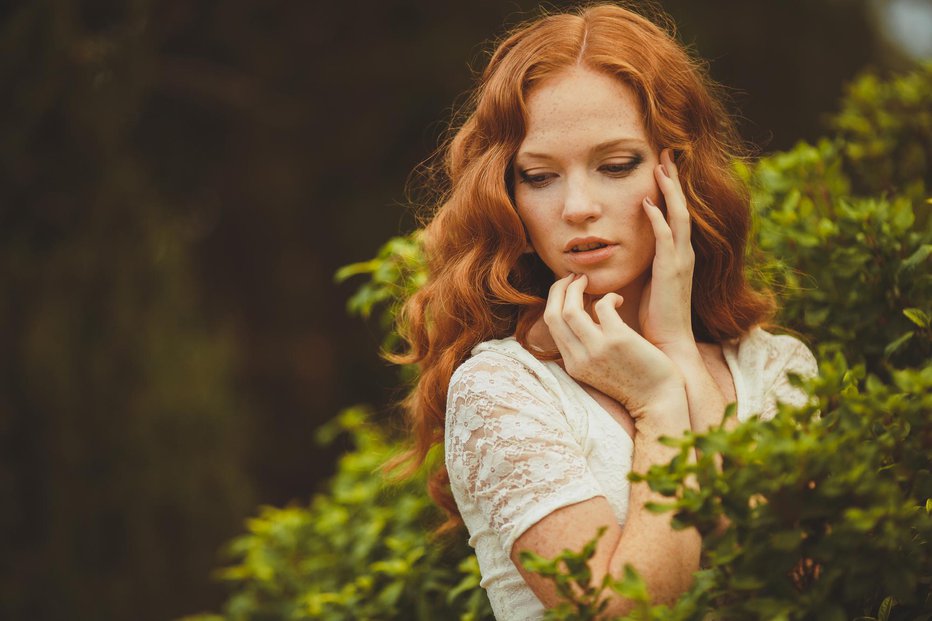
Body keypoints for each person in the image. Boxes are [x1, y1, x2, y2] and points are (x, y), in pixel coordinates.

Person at [391, 4, 818, 619]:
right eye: (539, 176)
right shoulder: (502, 389)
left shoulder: (776, 367)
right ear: (506, 195)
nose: (578, 207)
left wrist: (676, 351)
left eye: (616, 166)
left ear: (679, 172)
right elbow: (615, 611)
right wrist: (659, 406)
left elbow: (802, 578)